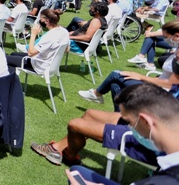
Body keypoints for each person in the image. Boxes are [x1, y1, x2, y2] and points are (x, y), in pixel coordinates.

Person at [31, 56, 179, 168]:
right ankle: (59, 149)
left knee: (74, 124)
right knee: (89, 113)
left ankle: (68, 155)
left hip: (147, 139)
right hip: (144, 125)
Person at [66, 83, 179, 185]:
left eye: (129, 122)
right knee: (76, 171)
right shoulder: (167, 171)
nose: (128, 127)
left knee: (76, 174)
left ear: (146, 121)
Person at [79, 21, 179, 108]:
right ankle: (120, 118)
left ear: (177, 36)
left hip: (163, 93)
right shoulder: (177, 51)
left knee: (116, 74)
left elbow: (171, 84)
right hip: (159, 86)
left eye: (165, 37)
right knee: (115, 85)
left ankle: (96, 94)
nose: (164, 39)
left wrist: (140, 77)